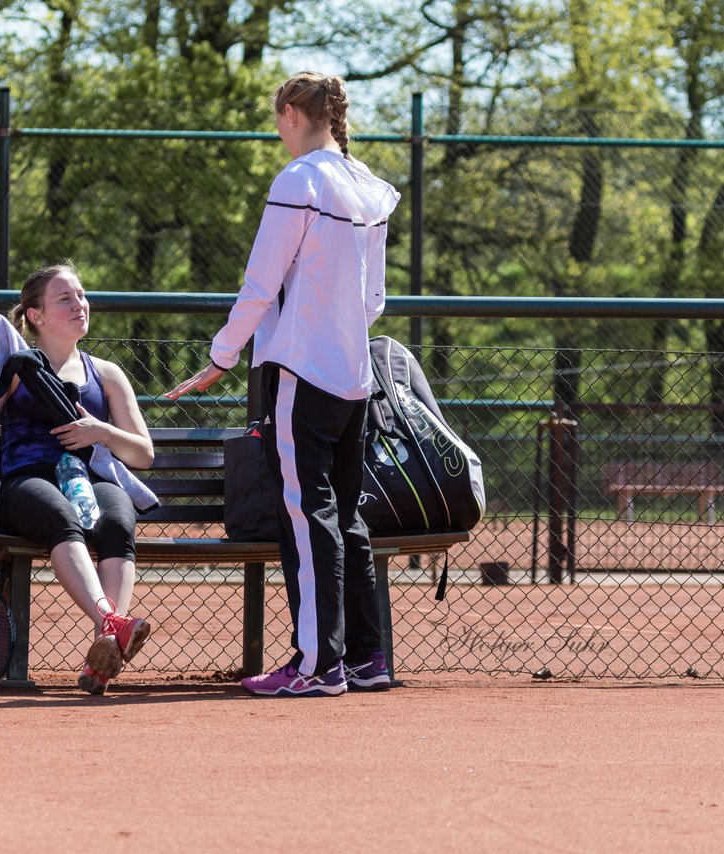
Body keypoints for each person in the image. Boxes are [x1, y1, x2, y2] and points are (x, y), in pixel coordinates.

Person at [165, 72, 400, 697]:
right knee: (343, 515)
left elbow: (259, 285)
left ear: (292, 112)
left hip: (301, 373)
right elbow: (374, 300)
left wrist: (221, 355)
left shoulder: (298, 180)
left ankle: (317, 666)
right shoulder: (366, 186)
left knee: (307, 517)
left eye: (277, 117)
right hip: (353, 379)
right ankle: (365, 657)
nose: (277, 128)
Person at [0, 262, 155, 695]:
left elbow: (143, 454)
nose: (79, 304)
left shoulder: (106, 374)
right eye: (65, 298)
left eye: (81, 295)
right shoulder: (17, 364)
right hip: (27, 482)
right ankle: (113, 624)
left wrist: (101, 432)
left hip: (86, 478)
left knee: (118, 519)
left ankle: (106, 647)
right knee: (61, 515)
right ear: (36, 316)